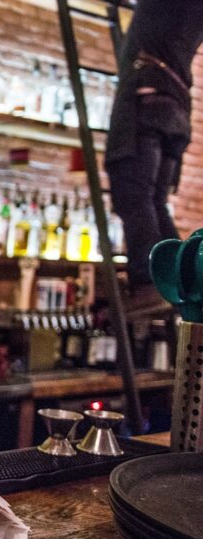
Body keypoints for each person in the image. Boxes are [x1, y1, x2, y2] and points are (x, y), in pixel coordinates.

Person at [105, 0, 203, 316]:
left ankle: (148, 283)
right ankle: (176, 283)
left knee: (133, 195)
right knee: (154, 200)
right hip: (173, 103)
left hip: (147, 96)